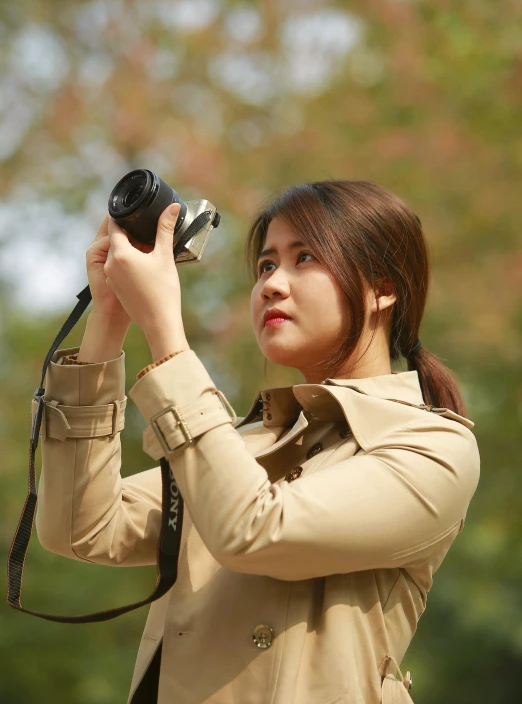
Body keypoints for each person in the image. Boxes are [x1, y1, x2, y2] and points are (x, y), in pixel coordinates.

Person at [34, 179, 480, 704]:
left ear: (382, 288)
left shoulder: (432, 444)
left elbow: (256, 528)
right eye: (266, 265)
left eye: (305, 257)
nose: (272, 284)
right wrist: (109, 318)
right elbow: (80, 527)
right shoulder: (245, 442)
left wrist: (165, 333)